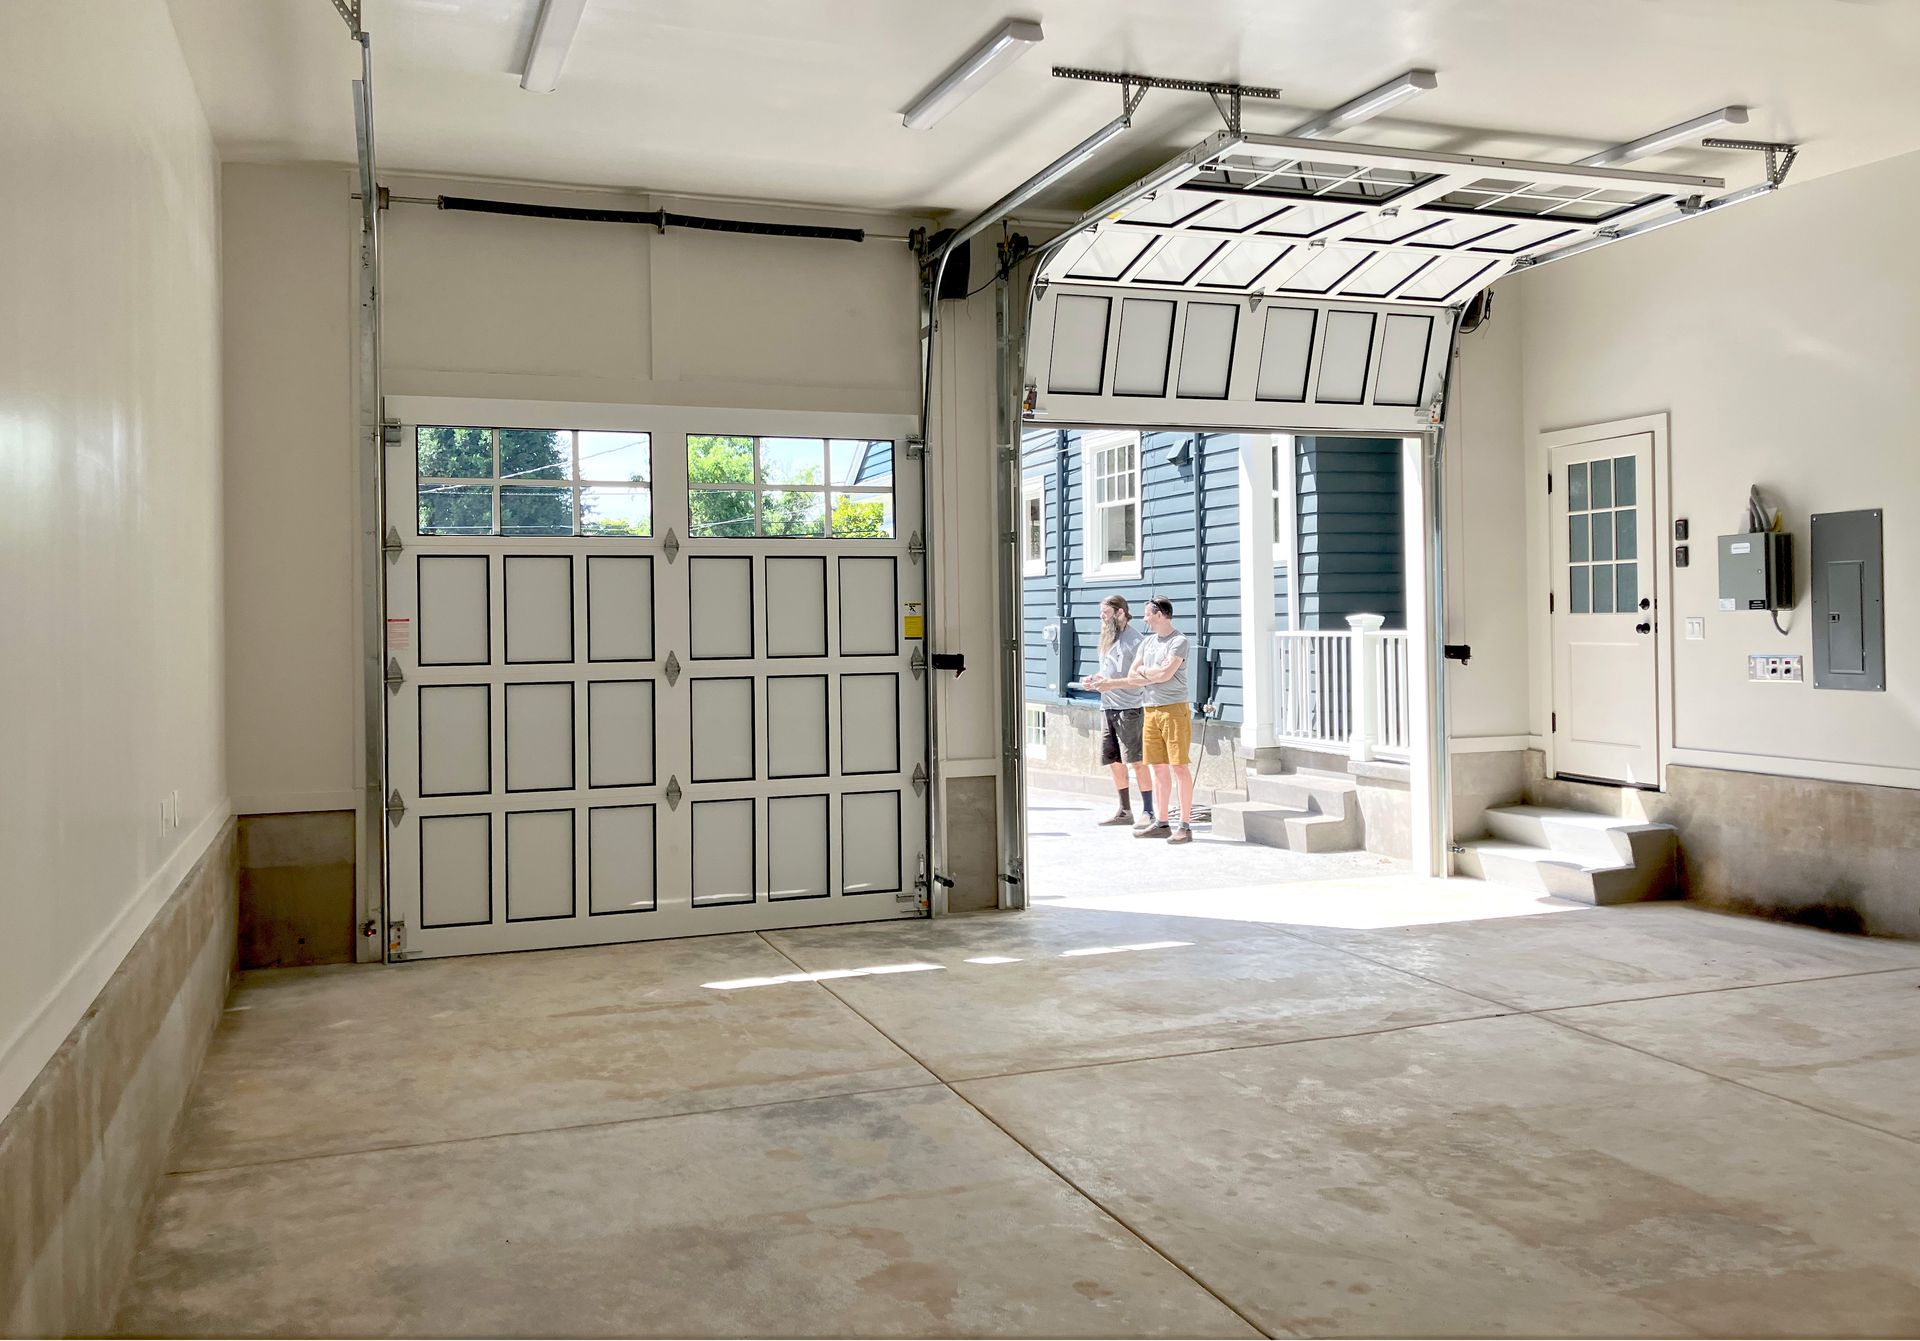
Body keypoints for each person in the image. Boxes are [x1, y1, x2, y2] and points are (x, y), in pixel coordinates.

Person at [1085, 594, 1194, 845]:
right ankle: (1162, 822)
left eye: (1148, 614)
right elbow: (1135, 676)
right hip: (1151, 707)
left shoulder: (1178, 641)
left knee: (1178, 767)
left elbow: (1166, 674)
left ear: (1159, 614)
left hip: (1173, 708)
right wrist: (1148, 674)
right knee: (1156, 766)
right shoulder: (1147, 644)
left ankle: (1185, 826)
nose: (1144, 618)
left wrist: (1149, 674)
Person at [1090, 596, 1154, 827]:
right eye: (1101, 613)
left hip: (1130, 710)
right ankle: (1125, 811)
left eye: (1105, 613)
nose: (1102, 618)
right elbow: (1108, 672)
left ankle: (1149, 811)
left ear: (1120, 613)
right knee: (1114, 761)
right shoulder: (1107, 637)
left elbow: (1141, 680)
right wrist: (1096, 679)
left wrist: (1111, 684)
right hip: (1106, 706)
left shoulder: (1137, 641)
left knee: (1137, 761)